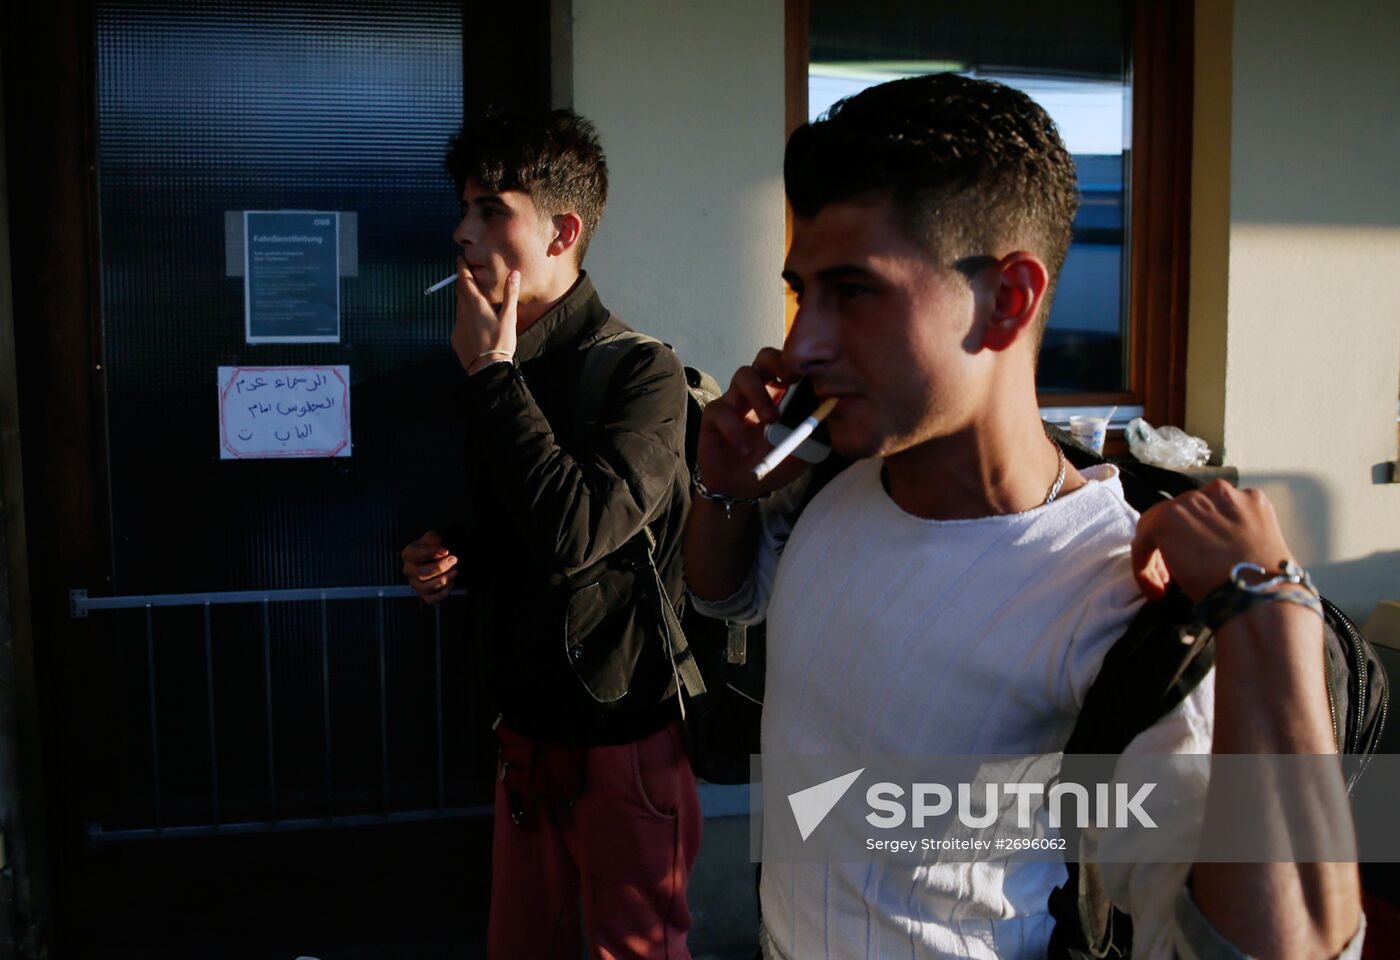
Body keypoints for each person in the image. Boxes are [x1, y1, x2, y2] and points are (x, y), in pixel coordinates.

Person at [683, 74, 1363, 958]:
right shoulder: (832, 480)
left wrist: (1270, 610)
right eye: (803, 291)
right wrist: (725, 486)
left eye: (852, 292)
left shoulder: (1115, 597)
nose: (803, 339)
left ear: (1007, 299)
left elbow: (1276, 950)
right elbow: (728, 597)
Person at [400, 108, 699, 960]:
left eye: (493, 210)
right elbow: (525, 529)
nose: (463, 234)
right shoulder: (496, 359)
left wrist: (492, 375)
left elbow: (578, 532)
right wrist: (448, 552)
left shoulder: (642, 370)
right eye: (463, 209)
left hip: (624, 737)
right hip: (524, 735)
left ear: (563, 231)